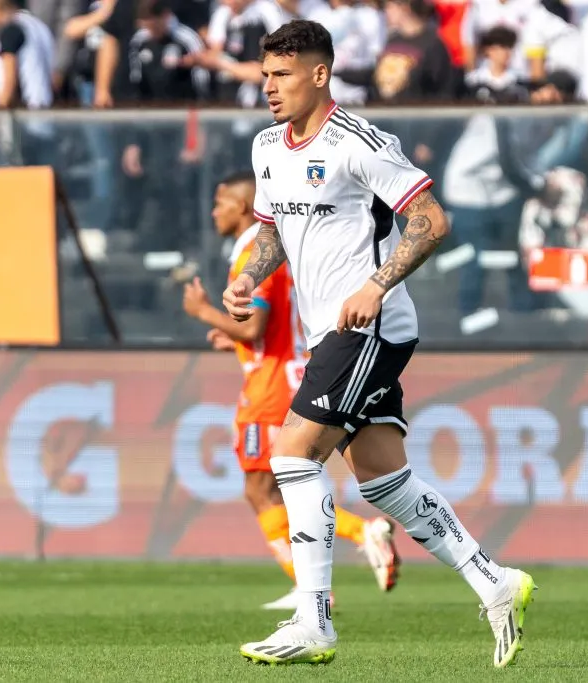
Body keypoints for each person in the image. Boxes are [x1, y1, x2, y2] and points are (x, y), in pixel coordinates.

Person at [223, 19, 536, 668]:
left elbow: (431, 221)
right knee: (383, 479)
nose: (270, 88)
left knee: (291, 456)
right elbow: (273, 231)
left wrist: (374, 283)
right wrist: (250, 280)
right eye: (264, 75)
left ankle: (315, 620)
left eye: (282, 75)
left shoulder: (359, 142)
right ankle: (494, 581)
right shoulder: (266, 149)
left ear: (320, 73)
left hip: (369, 326)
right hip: (326, 335)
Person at [182, 170, 402, 611]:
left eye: (221, 202)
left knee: (262, 490)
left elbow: (257, 321)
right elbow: (269, 327)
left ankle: (337, 562)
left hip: (270, 388)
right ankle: (325, 572)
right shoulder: (273, 249)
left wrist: (205, 311)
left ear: (243, 207)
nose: (214, 211)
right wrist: (241, 340)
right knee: (281, 486)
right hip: (283, 372)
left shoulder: (251, 251)